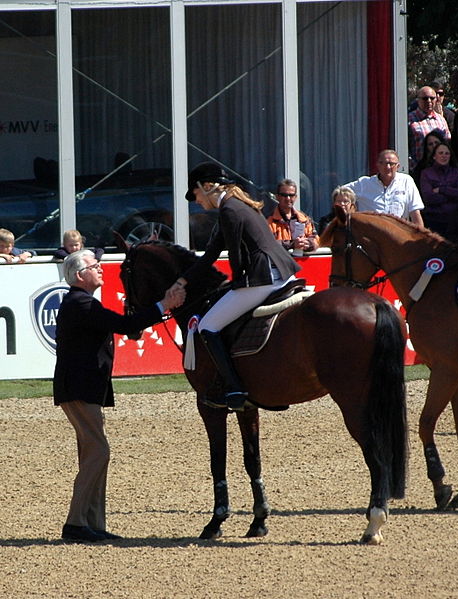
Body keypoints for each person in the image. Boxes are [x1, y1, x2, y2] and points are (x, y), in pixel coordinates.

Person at [55, 249, 185, 542]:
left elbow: (124, 327)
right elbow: (127, 326)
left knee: (93, 453)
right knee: (98, 452)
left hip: (83, 389)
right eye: (94, 266)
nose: (100, 269)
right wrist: (165, 303)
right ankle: (76, 524)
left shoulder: (83, 304)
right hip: (80, 389)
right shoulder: (81, 304)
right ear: (79, 276)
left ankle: (93, 524)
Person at [167, 162, 301, 411]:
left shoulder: (229, 210)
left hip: (262, 279)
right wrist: (181, 282)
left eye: (195, 195)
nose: (196, 202)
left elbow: (237, 257)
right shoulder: (238, 205)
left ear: (207, 187)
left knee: (207, 326)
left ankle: (235, 389)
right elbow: (210, 255)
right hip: (281, 273)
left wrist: (237, 281)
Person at [344, 149, 425, 226]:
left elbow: (415, 212)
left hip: (397, 233)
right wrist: (348, 209)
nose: (388, 167)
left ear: (398, 166)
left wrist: (420, 238)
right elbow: (340, 193)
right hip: (371, 234)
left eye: (391, 164)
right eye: (384, 163)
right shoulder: (364, 184)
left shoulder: (406, 181)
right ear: (378, 165)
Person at [419, 141, 458, 242]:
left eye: (447, 153)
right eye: (440, 153)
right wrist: (452, 195)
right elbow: (428, 198)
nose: (444, 156)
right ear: (434, 156)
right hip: (434, 220)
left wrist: (442, 189)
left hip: (455, 221)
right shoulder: (426, 174)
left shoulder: (456, 173)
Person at [266, 179, 319, 254]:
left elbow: (316, 240)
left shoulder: (304, 219)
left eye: (291, 195)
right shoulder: (269, 220)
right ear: (277, 197)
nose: (288, 198)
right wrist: (292, 245)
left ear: (296, 197)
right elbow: (268, 244)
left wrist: (308, 244)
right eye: (284, 195)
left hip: (302, 263)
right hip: (279, 264)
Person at [408, 85, 450, 171]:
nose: (429, 101)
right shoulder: (409, 119)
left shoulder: (441, 119)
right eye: (425, 98)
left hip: (439, 170)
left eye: (432, 98)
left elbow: (447, 142)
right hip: (419, 169)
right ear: (418, 100)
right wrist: (413, 166)